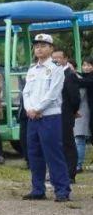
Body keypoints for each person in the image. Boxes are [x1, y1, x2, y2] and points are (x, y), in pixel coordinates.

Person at [22, 35, 69, 201]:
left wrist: (38, 108)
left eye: (43, 45)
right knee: (34, 154)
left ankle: (62, 190)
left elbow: (53, 93)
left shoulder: (56, 68)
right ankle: (38, 189)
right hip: (33, 117)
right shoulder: (32, 70)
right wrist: (29, 109)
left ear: (51, 48)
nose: (39, 49)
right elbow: (26, 92)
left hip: (49, 116)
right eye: (37, 46)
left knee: (53, 153)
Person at [51, 49, 82, 181]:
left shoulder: (70, 74)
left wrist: (73, 112)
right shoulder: (52, 73)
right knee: (57, 143)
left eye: (59, 58)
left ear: (65, 59)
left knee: (68, 143)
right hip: (53, 114)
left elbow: (75, 97)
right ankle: (60, 172)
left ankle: (71, 174)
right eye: (54, 58)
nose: (56, 60)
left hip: (65, 114)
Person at [77, 58, 93, 173]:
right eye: (84, 65)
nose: (86, 67)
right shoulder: (85, 76)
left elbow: (83, 81)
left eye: (89, 65)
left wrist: (72, 75)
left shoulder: (89, 79)